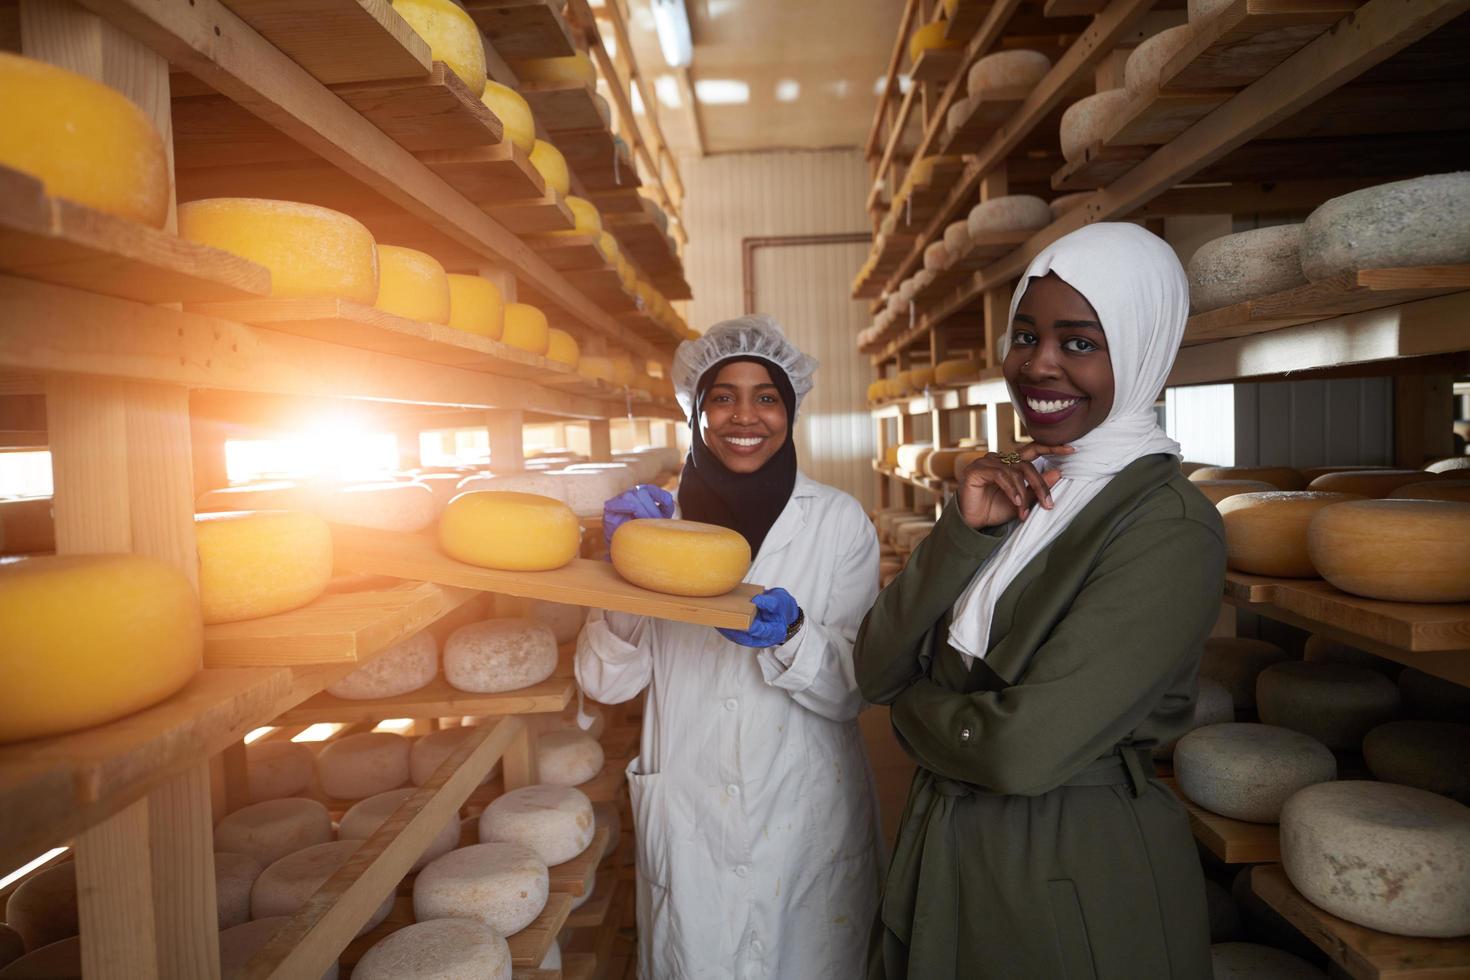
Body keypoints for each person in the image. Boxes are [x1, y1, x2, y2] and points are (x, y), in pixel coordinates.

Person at [857, 223, 1224, 980]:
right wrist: (962, 531)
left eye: (1080, 342)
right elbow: (874, 666)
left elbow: (1018, 751)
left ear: (1143, 346)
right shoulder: (1021, 487)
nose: (1038, 365)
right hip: (951, 843)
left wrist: (912, 714)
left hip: (1063, 868)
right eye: (1026, 335)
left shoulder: (1169, 527)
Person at [576, 315, 883, 980]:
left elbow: (857, 687)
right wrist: (618, 576)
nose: (746, 416)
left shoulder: (837, 521)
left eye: (766, 397)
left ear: (790, 408)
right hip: (691, 807)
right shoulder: (658, 528)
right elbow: (606, 684)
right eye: (723, 396)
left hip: (804, 802)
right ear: (697, 410)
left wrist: (793, 639)